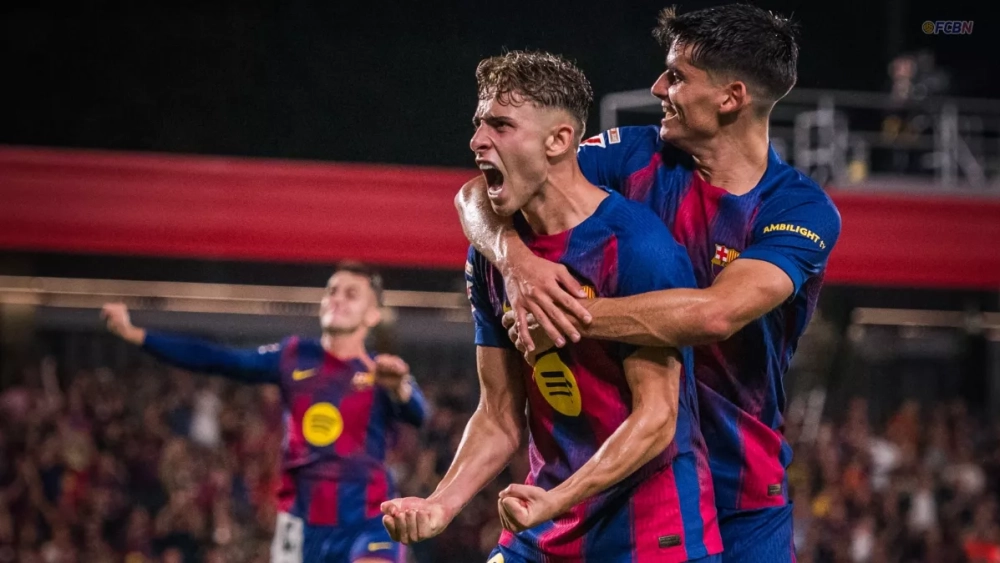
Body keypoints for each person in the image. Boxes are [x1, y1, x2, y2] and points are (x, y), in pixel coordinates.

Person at [453, 5, 842, 563]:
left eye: (678, 76)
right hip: (632, 482)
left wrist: (562, 318)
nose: (659, 86)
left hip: (742, 496)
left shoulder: (798, 208)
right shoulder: (635, 155)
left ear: (731, 97)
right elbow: (478, 191)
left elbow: (716, 315)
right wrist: (516, 263)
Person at [381, 50, 721, 563]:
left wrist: (557, 501)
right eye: (478, 125)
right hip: (541, 528)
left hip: (651, 536)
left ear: (560, 141)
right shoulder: (494, 254)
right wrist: (439, 505)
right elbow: (498, 416)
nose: (477, 142)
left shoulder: (637, 247)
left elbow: (657, 418)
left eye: (500, 124)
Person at [101, 262, 427, 563]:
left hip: (367, 518)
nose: (337, 299)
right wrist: (138, 335)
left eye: (351, 294)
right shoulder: (294, 355)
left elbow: (419, 414)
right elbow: (220, 359)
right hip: (302, 524)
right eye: (331, 291)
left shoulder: (381, 372)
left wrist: (399, 388)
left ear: (372, 315)